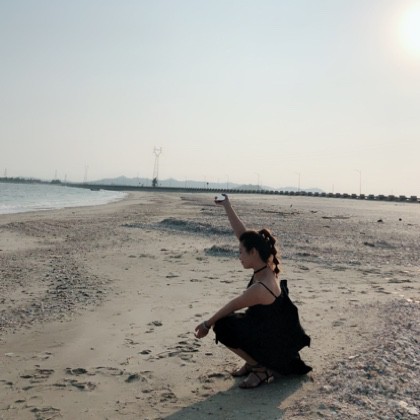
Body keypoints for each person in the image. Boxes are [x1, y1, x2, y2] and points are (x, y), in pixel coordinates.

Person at [195, 194, 312, 389]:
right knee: (227, 321)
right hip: (267, 331)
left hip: (273, 343)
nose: (239, 256)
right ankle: (253, 363)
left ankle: (260, 369)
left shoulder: (261, 287)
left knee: (222, 326)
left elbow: (232, 305)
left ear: (253, 252)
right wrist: (227, 205)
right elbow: (243, 235)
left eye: (241, 252)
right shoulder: (266, 264)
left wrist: (206, 324)